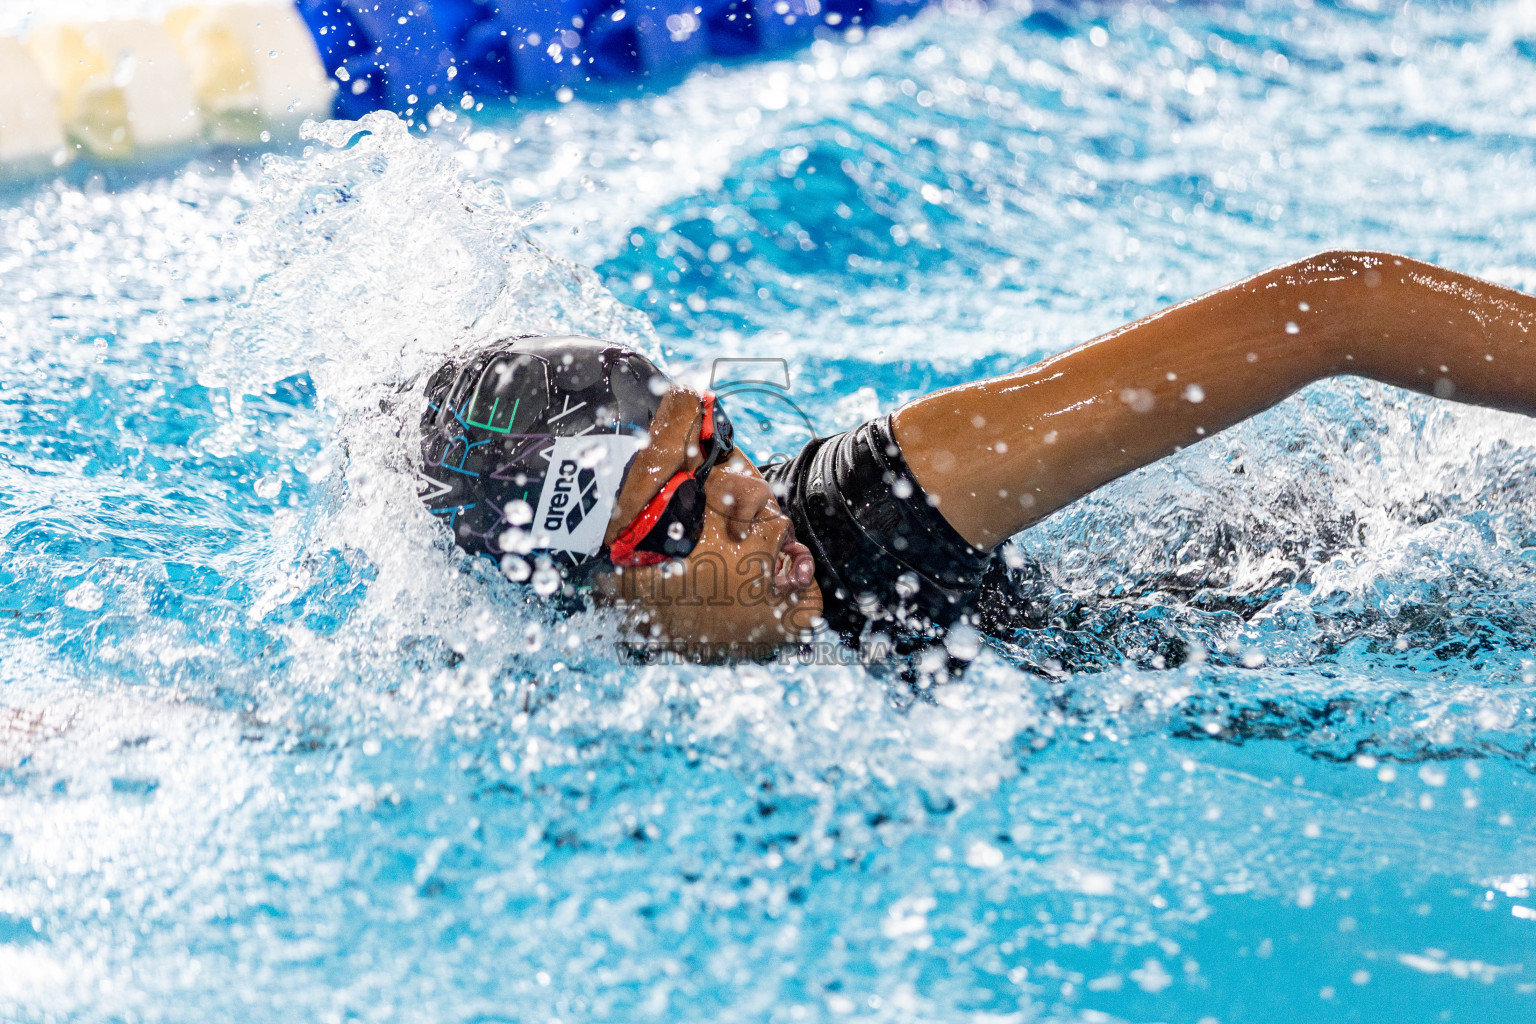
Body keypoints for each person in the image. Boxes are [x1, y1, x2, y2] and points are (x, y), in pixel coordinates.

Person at [417, 250, 1536, 659]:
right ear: (588, 596)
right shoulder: (543, 688)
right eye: (677, 516)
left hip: (1294, 619)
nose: (751, 502)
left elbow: (1330, 310)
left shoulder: (874, 510)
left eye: (722, 445)